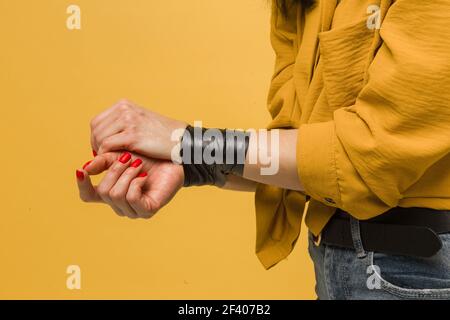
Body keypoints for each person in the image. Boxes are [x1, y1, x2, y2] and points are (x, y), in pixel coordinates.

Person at [75, 0, 450, 300]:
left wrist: (188, 141)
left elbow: (364, 157)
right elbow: (306, 157)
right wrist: (193, 163)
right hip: (336, 264)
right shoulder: (299, 4)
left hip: (417, 272)